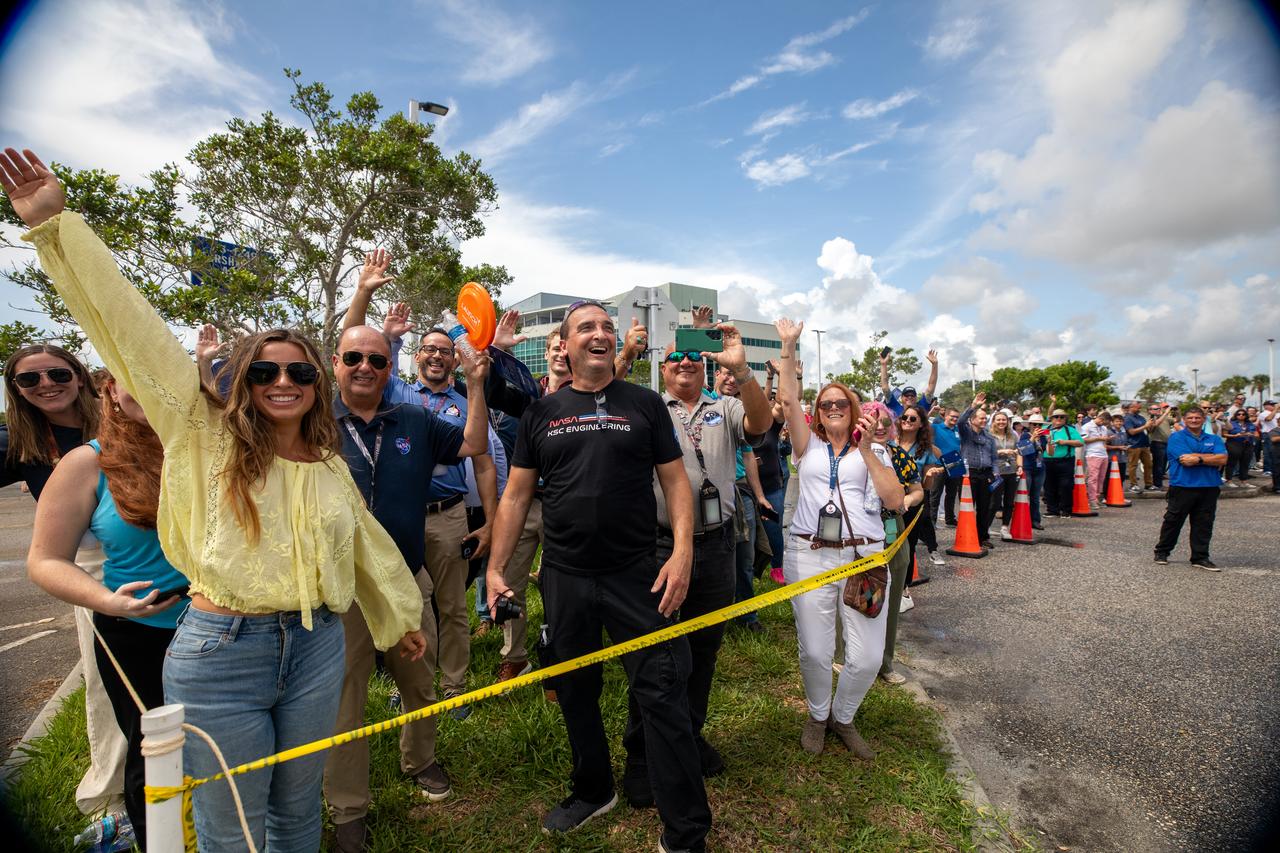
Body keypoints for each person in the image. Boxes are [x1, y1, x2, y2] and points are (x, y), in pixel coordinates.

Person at [3, 146, 427, 850]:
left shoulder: (325, 461)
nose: (282, 380)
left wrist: (394, 618)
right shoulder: (202, 434)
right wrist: (56, 229)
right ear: (244, 379)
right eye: (264, 369)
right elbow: (130, 330)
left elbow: (366, 547)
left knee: (297, 807)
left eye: (299, 370)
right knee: (233, 820)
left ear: (317, 382)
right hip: (222, 648)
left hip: (319, 642)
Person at [484, 300, 708, 851]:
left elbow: (677, 484)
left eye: (608, 327)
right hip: (565, 576)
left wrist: (681, 554)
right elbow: (515, 496)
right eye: (587, 327)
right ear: (565, 344)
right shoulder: (542, 412)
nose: (601, 333)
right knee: (575, 687)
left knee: (661, 690)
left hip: (638, 573)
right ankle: (593, 788)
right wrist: (494, 569)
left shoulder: (646, 404)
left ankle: (685, 832)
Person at [322, 317, 492, 851]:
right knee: (345, 699)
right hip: (340, 588)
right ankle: (348, 807)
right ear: (336, 365)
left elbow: (472, 443)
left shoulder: (415, 418)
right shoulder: (312, 423)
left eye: (376, 360)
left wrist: (478, 382)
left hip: (404, 576)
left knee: (418, 683)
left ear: (391, 366)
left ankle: (421, 760)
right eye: (353, 358)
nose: (365, 368)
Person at [27, 369, 189, 850]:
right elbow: (44, 560)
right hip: (139, 634)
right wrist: (106, 601)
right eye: (130, 374)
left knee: (222, 750)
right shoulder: (86, 463)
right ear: (110, 391)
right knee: (157, 756)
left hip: (224, 628)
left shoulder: (205, 449)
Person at [621, 330, 770, 809]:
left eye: (692, 356)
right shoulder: (647, 407)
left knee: (703, 652)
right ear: (663, 369)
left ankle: (689, 735)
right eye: (674, 357)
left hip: (718, 546)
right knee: (656, 655)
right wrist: (625, 353)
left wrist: (743, 370)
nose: (685, 361)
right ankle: (641, 758)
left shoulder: (723, 407)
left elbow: (761, 423)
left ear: (704, 366)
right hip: (661, 547)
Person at [1, 343, 125, 815]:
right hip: (91, 571)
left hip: (159, 559)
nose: (46, 384)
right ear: (16, 390)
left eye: (56, 373)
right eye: (30, 380)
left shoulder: (120, 420)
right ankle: (109, 795)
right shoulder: (21, 442)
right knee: (104, 680)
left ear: (78, 375)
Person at [774, 318, 903, 758]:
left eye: (841, 403)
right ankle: (817, 714)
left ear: (853, 410)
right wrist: (788, 347)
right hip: (809, 554)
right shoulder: (805, 445)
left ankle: (842, 717)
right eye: (826, 402)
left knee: (866, 657)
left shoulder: (876, 451)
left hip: (864, 559)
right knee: (814, 650)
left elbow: (896, 500)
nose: (832, 407)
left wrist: (866, 451)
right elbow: (788, 397)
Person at [872, 402, 923, 686]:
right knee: (855, 595)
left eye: (885, 422)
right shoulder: (854, 455)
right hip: (860, 533)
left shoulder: (899, 456)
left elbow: (918, 491)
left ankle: (885, 662)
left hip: (894, 530)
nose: (879, 427)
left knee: (891, 600)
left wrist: (906, 500)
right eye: (873, 421)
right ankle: (842, 657)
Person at [1154, 407, 1228, 571]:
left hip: (1209, 486)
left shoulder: (1214, 439)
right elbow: (1185, 460)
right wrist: (1210, 458)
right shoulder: (1176, 437)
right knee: (1173, 521)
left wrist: (1199, 458)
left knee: (1204, 523)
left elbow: (1223, 458)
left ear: (1203, 420)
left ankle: (1200, 557)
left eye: (1197, 418)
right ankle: (1162, 551)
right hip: (1183, 486)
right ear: (1184, 420)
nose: (1194, 420)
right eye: (1190, 418)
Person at [897, 404, 945, 568]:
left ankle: (904, 586)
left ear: (921, 424)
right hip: (888, 501)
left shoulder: (925, 451)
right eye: (905, 417)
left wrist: (930, 476)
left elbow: (926, 486)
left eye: (912, 419)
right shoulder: (889, 442)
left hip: (913, 501)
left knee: (908, 545)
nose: (907, 421)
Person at [957, 393, 997, 548]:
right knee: (967, 507)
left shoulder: (989, 438)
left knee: (984, 507)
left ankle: (982, 537)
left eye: (985, 418)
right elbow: (960, 421)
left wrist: (995, 474)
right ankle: (966, 536)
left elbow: (994, 458)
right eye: (981, 417)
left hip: (985, 474)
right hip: (969, 474)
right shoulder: (966, 433)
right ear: (972, 420)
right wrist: (973, 406)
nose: (984, 420)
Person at [1041, 403, 1083, 519]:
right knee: (1049, 486)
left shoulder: (1070, 430)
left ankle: (1066, 510)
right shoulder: (1046, 429)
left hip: (1066, 461)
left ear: (1065, 419)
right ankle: (1052, 510)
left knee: (1066, 485)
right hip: (1048, 461)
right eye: (1056, 417)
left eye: (1061, 417)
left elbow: (1080, 442)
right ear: (1052, 418)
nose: (1058, 419)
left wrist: (1065, 442)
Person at [988, 409, 1020, 541]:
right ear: (994, 422)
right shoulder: (988, 436)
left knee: (1009, 501)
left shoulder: (1013, 435)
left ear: (1007, 422)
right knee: (994, 502)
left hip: (1011, 471)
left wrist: (1020, 466)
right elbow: (986, 454)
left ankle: (1005, 527)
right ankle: (986, 526)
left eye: (1004, 420)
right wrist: (1002, 451)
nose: (1001, 422)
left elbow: (1019, 452)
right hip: (996, 472)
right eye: (999, 420)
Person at [880, 348, 938, 417]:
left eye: (912, 395)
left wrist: (935, 364)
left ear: (916, 397)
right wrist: (883, 364)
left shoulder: (922, 406)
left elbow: (931, 386)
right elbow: (885, 388)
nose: (909, 397)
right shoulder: (895, 406)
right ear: (901, 398)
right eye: (906, 395)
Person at [931, 406, 964, 526]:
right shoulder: (935, 427)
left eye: (956, 417)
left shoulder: (958, 430)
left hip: (955, 464)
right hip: (938, 464)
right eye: (952, 416)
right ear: (945, 416)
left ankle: (950, 519)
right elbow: (922, 425)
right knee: (935, 494)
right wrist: (930, 411)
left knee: (952, 494)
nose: (954, 419)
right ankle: (932, 521)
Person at [1124, 401, 1166, 493]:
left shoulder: (1141, 417)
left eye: (1139, 407)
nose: (1139, 409)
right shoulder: (1127, 418)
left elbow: (1148, 429)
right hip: (1134, 445)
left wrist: (1150, 425)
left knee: (1148, 465)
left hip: (1144, 444)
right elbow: (1131, 432)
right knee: (1133, 466)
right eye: (1137, 407)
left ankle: (1148, 484)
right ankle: (1133, 485)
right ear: (1131, 407)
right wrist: (1145, 426)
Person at [1016, 414, 1046, 529]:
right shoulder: (1024, 435)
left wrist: (1050, 442)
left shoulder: (1043, 437)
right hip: (1027, 468)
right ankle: (1021, 519)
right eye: (1034, 424)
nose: (1037, 426)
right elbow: (1024, 451)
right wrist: (1033, 437)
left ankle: (1035, 520)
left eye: (1040, 424)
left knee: (1035, 496)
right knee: (1024, 494)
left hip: (1040, 468)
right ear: (1029, 425)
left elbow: (1049, 452)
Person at [1081, 410, 1112, 510]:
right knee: (1093, 478)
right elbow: (1083, 440)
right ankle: (1092, 500)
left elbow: (1103, 440)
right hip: (1092, 454)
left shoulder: (1103, 428)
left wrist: (1106, 440)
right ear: (1101, 418)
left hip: (1103, 454)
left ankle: (1097, 498)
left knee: (1101, 478)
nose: (1104, 425)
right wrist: (1099, 439)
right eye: (1104, 422)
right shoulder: (1087, 426)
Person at [1223, 408, 1255, 486]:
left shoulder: (1249, 423)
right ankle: (1229, 480)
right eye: (1239, 414)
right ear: (1236, 415)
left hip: (1247, 444)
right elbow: (1224, 434)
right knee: (1231, 463)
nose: (1241, 415)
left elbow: (1254, 432)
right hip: (1234, 443)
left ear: (1246, 415)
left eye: (1243, 414)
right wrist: (1234, 435)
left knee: (1245, 463)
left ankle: (1244, 481)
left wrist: (1250, 434)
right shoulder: (1231, 423)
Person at [1149, 402, 1173, 489]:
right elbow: (1155, 424)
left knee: (1163, 465)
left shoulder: (1165, 418)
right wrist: (1166, 413)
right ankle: (1157, 484)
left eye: (1158, 408)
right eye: (1155, 409)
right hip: (1157, 443)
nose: (1158, 410)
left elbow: (1177, 420)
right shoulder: (1151, 418)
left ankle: (1160, 483)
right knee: (1158, 465)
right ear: (1150, 411)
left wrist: (1177, 412)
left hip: (1167, 443)